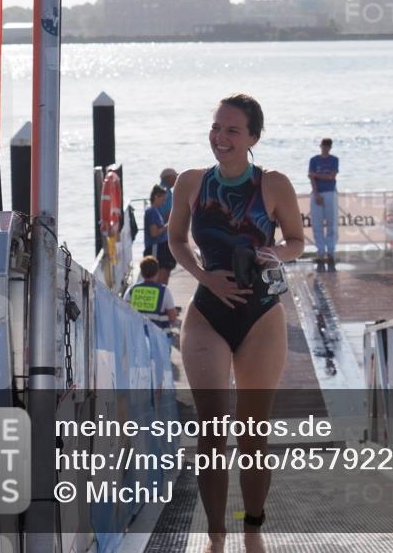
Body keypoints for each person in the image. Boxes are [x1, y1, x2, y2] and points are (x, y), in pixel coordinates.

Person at [168, 93, 304, 553]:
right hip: (208, 312)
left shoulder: (274, 184)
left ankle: (252, 530)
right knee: (211, 432)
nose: (220, 137)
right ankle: (215, 536)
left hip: (260, 314)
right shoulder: (190, 182)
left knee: (253, 435)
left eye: (232, 130)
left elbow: (297, 240)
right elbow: (176, 240)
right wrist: (204, 275)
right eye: (215, 127)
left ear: (252, 138)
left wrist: (274, 252)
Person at [308, 137, 339, 270]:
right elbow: (311, 178)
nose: (325, 148)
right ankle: (320, 251)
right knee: (317, 224)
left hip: (330, 193)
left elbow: (331, 176)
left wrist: (316, 175)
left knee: (332, 223)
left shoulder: (334, 160)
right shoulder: (314, 160)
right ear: (320, 146)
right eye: (323, 146)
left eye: (327, 146)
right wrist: (316, 194)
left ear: (330, 147)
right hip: (317, 193)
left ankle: (331, 251)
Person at [124, 255, 177, 332]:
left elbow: (125, 312)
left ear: (142, 272)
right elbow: (172, 317)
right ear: (157, 272)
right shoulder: (164, 291)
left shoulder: (131, 290)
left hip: (137, 334)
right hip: (159, 335)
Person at [144, 185, 175, 285]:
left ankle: (162, 290)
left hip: (161, 247)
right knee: (157, 275)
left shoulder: (155, 211)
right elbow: (154, 233)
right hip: (156, 247)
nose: (164, 202)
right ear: (156, 196)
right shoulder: (151, 212)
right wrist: (168, 225)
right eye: (163, 199)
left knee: (164, 273)